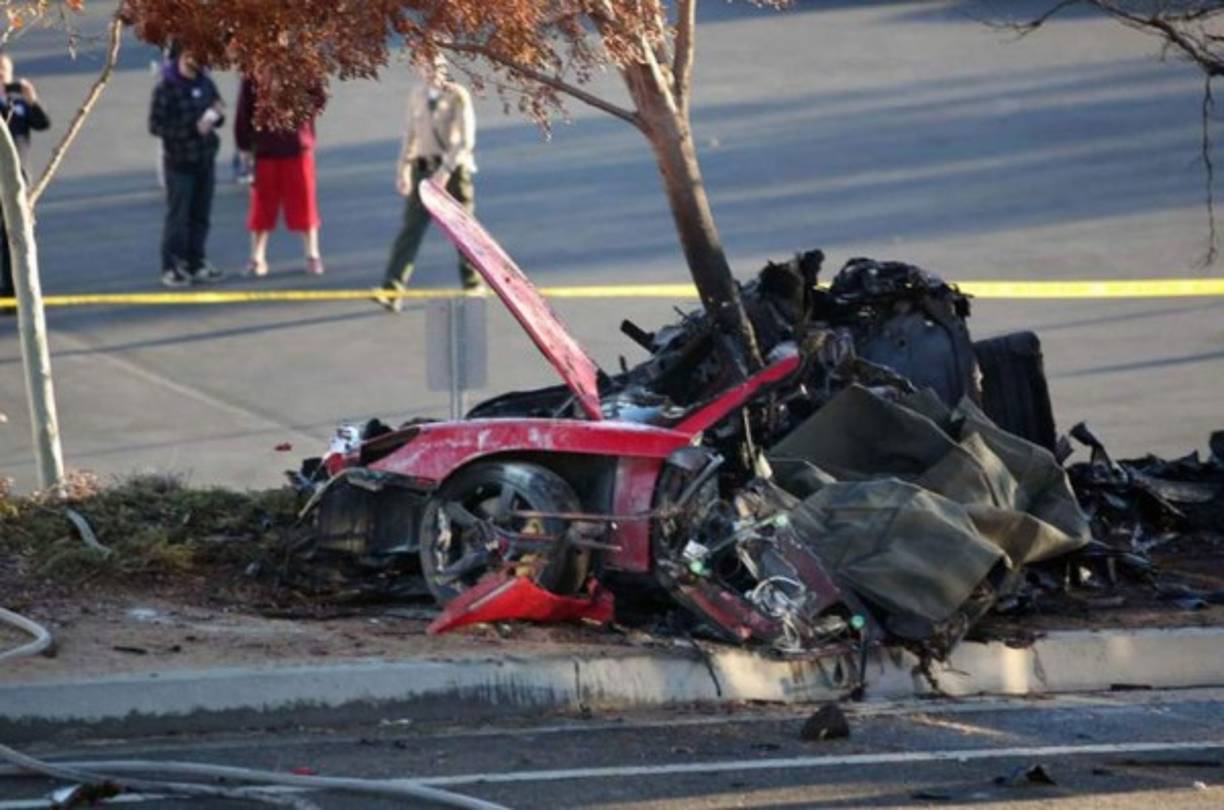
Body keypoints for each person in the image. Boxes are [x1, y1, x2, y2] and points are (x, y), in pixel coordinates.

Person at [377, 56, 479, 313]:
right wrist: (403, 169)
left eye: (438, 67)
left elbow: (465, 141)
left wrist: (445, 172)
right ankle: (392, 289)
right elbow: (410, 133)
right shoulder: (417, 94)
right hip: (423, 170)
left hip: (452, 172)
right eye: (428, 66)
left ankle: (472, 283)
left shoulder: (457, 96)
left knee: (464, 230)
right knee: (410, 230)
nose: (432, 72)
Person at [148, 43, 225, 288]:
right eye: (191, 57)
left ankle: (196, 261)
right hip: (179, 163)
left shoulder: (205, 83)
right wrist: (192, 129)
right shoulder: (166, 89)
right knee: (178, 217)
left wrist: (216, 115)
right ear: (180, 58)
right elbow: (156, 126)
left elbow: (218, 110)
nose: (196, 62)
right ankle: (172, 265)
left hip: (205, 159)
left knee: (201, 216)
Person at [234, 75, 325, 277]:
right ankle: (257, 257)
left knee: (305, 203)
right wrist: (244, 145)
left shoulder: (304, 66)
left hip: (297, 147)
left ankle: (312, 254)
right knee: (261, 205)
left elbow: (319, 98)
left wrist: (299, 115)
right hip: (265, 148)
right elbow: (244, 108)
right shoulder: (254, 70)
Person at [0, 52, 50, 316]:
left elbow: (42, 124)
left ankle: (15, 291)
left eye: (4, 69)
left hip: (19, 182)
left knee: (17, 237)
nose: (1, 74)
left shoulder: (18, 102)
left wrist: (32, 100)